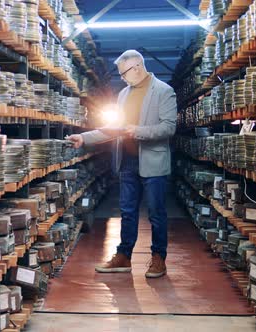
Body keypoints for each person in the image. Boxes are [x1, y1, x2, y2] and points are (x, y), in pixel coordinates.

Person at [67, 50, 177, 278]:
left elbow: (169, 127)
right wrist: (85, 137)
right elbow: (114, 128)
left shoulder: (164, 92)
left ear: (137, 67)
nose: (123, 78)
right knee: (127, 211)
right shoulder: (123, 95)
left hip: (153, 161)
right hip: (128, 161)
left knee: (157, 212)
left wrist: (138, 131)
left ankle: (159, 258)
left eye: (124, 73)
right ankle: (124, 256)